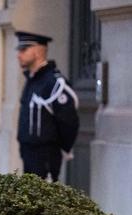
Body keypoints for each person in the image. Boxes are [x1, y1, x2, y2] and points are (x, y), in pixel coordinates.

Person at [15, 30, 80, 182]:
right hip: (28, 155)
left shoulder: (54, 83)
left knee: (44, 203)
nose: (19, 54)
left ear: (38, 51)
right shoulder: (32, 81)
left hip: (46, 157)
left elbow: (69, 122)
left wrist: (61, 149)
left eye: (24, 49)